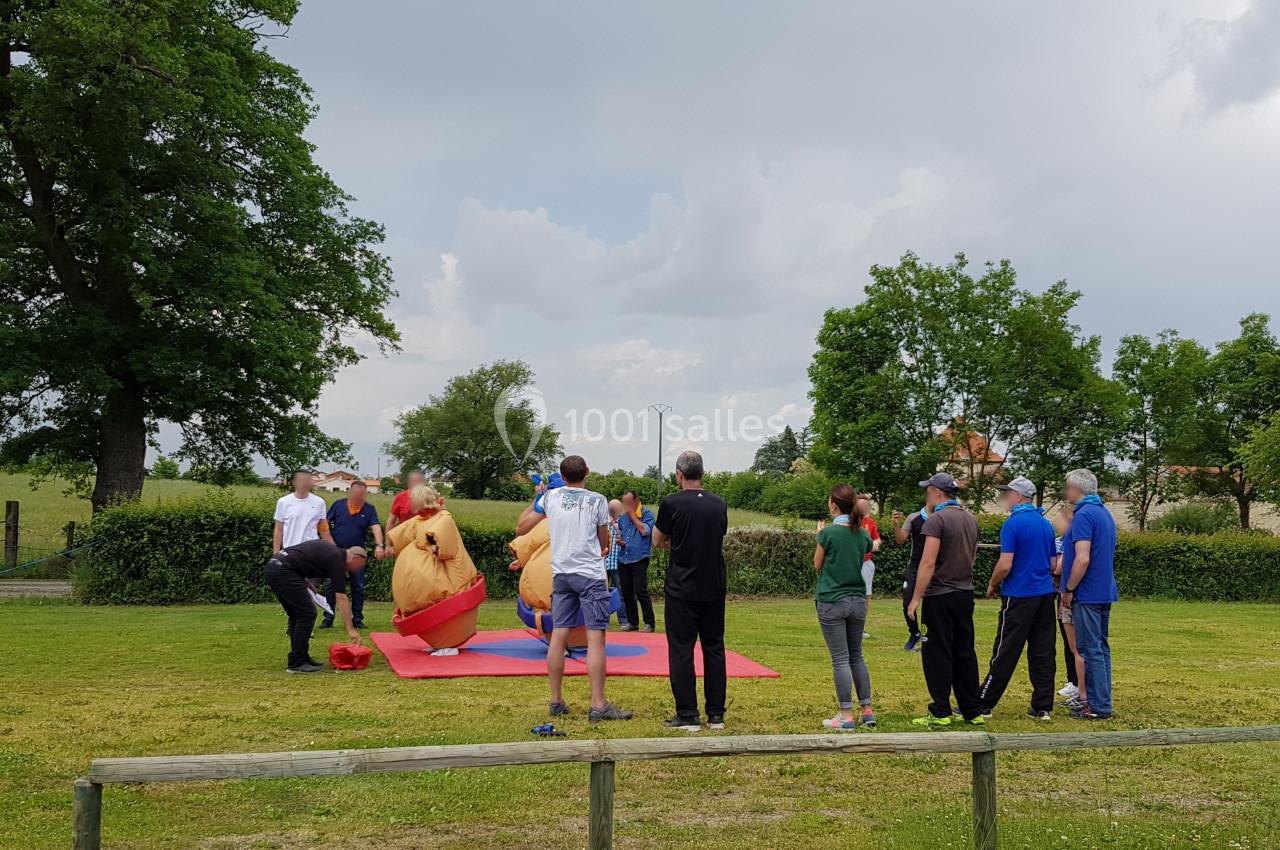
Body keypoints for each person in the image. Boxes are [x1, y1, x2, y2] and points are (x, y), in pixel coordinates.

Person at [518, 455, 632, 722]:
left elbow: (522, 527)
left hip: (561, 573)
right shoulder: (597, 500)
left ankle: (556, 700)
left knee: (558, 635)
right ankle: (598, 704)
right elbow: (603, 539)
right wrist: (601, 548)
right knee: (596, 638)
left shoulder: (551, 498)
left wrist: (537, 497)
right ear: (587, 473)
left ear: (561, 475)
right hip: (590, 574)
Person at [653, 451, 729, 732]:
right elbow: (717, 536)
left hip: (682, 586)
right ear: (703, 473)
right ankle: (716, 714)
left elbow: (657, 539)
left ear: (679, 474)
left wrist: (673, 542)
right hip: (713, 584)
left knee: (682, 649)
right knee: (714, 648)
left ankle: (687, 714)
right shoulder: (719, 504)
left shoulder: (671, 503)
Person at [906, 472, 984, 728]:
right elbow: (972, 558)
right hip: (964, 593)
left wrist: (916, 598)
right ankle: (972, 710)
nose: (926, 494)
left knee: (937, 652)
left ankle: (941, 711)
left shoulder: (936, 520)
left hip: (939, 595)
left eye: (928, 490)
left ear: (937, 493)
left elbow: (928, 562)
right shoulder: (971, 520)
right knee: (964, 650)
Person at [977, 476, 1058, 720]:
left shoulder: (1013, 524)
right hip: (1044, 594)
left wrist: (992, 583)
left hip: (1019, 595)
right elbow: (1054, 563)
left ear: (1019, 496)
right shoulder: (1045, 524)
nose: (1005, 498)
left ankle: (984, 702)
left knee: (1006, 649)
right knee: (1043, 650)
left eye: (1008, 493)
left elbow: (1005, 563)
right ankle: (1042, 706)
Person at [814, 484, 878, 730]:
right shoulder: (863, 534)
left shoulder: (828, 534)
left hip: (832, 600)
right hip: (857, 600)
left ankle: (845, 715)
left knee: (840, 659)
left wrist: (819, 535)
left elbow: (817, 565)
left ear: (833, 504)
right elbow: (859, 557)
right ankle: (867, 710)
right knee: (856, 655)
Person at [1059, 468, 1118, 720]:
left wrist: (1069, 588)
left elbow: (1081, 559)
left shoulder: (1083, 515)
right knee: (1101, 648)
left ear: (1076, 489)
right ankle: (1100, 701)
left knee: (1089, 648)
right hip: (1104, 590)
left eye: (1067, 487)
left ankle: (1097, 706)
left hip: (1087, 592)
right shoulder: (1104, 513)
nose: (1065, 492)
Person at [263, 539, 365, 673]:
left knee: (297, 615)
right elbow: (341, 597)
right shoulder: (338, 560)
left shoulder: (333, 552)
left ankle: (300, 657)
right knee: (307, 614)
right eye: (361, 565)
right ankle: (297, 662)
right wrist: (350, 629)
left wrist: (304, 580)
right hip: (283, 570)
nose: (359, 569)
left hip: (275, 567)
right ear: (355, 558)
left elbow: (303, 556)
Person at [320, 480, 384, 629]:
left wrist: (379, 545)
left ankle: (357, 619)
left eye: (361, 495)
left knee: (358, 587)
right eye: (356, 494)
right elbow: (324, 523)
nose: (358, 497)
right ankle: (328, 618)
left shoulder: (369, 509)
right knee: (331, 586)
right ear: (350, 492)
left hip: (357, 557)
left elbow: (375, 527)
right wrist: (328, 541)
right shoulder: (338, 505)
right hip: (336, 554)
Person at [1051, 506, 1086, 709]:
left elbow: (1059, 566)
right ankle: (1077, 685)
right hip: (1064, 596)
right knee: (1070, 645)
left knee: (1076, 647)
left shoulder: (1070, 542)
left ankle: (1081, 691)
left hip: (1070, 597)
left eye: (1059, 520)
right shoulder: (1064, 540)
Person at [616, 489, 657, 632]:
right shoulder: (622, 518)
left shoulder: (647, 515)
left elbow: (644, 531)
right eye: (624, 502)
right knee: (626, 592)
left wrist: (632, 515)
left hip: (639, 557)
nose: (626, 505)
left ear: (636, 500)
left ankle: (650, 623)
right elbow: (620, 534)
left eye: (628, 502)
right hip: (624, 557)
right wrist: (620, 541)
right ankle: (632, 622)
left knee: (641, 591)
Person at [891, 503, 930, 651]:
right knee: (908, 603)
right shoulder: (914, 518)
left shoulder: (942, 517)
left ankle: (928, 639)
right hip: (914, 567)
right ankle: (914, 633)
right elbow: (900, 539)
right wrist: (896, 525)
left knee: (931, 605)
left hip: (935, 568)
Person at [272, 470, 331, 552]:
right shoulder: (283, 502)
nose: (304, 483)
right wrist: (276, 552)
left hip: (312, 550)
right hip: (290, 550)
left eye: (307, 480)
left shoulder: (319, 502)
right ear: (294, 482)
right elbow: (278, 529)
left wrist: (333, 549)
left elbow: (323, 528)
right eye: (301, 480)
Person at [605, 499, 628, 628]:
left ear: (619, 510)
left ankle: (623, 620)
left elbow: (624, 535)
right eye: (610, 508)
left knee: (620, 593)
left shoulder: (623, 523)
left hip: (617, 564)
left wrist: (613, 523)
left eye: (614, 508)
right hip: (604, 563)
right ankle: (604, 620)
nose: (612, 510)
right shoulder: (604, 522)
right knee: (602, 594)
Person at [385, 469, 427, 538]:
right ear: (409, 482)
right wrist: (388, 545)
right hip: (404, 539)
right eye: (413, 481)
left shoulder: (432, 497)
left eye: (418, 481)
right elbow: (391, 522)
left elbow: (442, 518)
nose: (415, 483)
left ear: (423, 482)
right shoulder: (400, 497)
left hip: (424, 539)